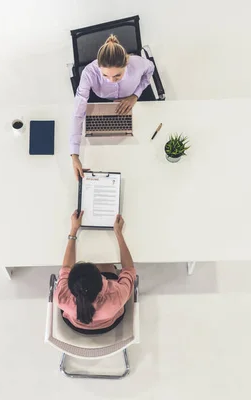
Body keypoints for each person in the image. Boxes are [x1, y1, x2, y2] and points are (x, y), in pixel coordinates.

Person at [69, 34, 155, 180]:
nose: (111, 81)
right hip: (101, 101)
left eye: (117, 76)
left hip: (131, 103)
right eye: (105, 75)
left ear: (126, 63)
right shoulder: (89, 73)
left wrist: (135, 95)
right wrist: (74, 155)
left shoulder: (137, 63)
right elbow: (78, 113)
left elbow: (150, 70)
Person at [54, 210, 136, 334]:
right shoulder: (116, 296)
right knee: (106, 264)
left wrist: (74, 230)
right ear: (102, 280)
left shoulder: (62, 296)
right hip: (109, 323)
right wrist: (119, 233)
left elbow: (66, 267)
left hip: (76, 325)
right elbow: (129, 270)